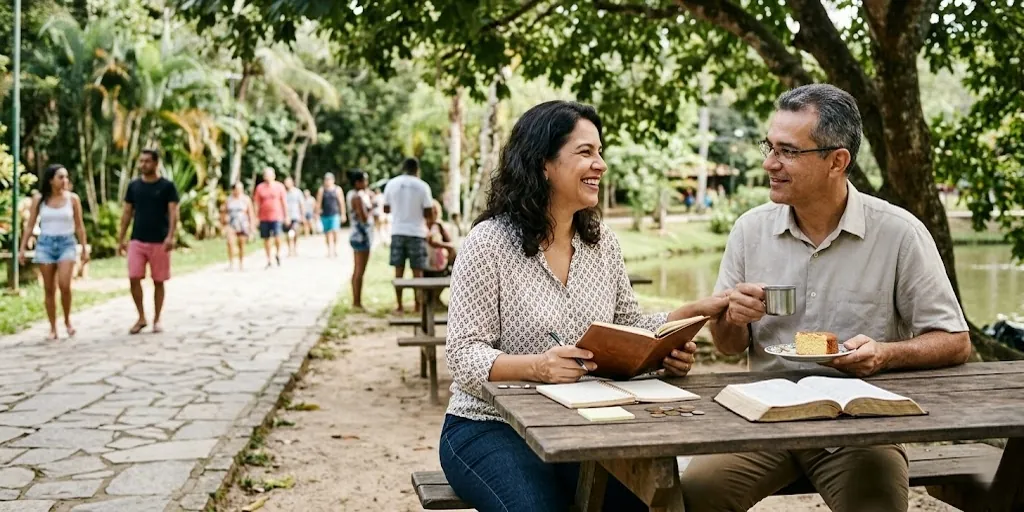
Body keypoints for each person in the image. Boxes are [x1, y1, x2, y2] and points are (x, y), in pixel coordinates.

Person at [682, 84, 972, 511]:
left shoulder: (899, 233)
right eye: (769, 147)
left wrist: (885, 354)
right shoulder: (750, 229)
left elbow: (955, 340)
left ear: (837, 161)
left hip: (858, 422)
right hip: (765, 414)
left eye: (787, 151)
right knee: (693, 496)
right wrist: (733, 319)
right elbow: (728, 348)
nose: (769, 163)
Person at [439, 100, 731, 512]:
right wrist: (537, 367)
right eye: (585, 152)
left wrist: (669, 342)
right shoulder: (488, 243)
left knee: (639, 505)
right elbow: (463, 355)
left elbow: (628, 325)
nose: (601, 164)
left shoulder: (603, 243)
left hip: (581, 426)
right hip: (487, 425)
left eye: (600, 152)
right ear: (543, 163)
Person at [18, 164, 89, 340]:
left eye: (66, 177)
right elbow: (30, 225)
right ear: (51, 180)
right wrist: (22, 248)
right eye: (60, 177)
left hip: (66, 243)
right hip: (45, 245)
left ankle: (67, 320)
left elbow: (80, 227)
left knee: (65, 285)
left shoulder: (73, 199)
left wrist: (84, 248)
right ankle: (52, 327)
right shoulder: (39, 199)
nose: (65, 181)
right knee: (49, 288)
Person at [116, 149, 179, 335]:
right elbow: (127, 212)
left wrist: (171, 235)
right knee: (134, 277)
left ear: (156, 163)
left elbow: (174, 212)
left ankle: (157, 318)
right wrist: (121, 238)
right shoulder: (134, 186)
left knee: (158, 281)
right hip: (137, 239)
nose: (143, 165)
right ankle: (141, 316)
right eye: (141, 161)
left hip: (160, 240)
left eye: (147, 161)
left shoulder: (167, 186)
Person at [383, 157, 434, 314]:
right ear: (417, 169)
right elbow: (428, 212)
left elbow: (386, 209)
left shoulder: (392, 184)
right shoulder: (422, 186)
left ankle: (399, 305)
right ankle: (417, 305)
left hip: (398, 230)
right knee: (417, 272)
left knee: (399, 270)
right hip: (416, 232)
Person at [346, 170, 374, 310]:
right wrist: (372, 207)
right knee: (359, 270)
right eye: (364, 181)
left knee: (358, 270)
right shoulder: (357, 197)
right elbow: (363, 218)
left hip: (358, 235)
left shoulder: (354, 195)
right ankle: (356, 302)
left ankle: (357, 300)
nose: (366, 184)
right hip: (361, 236)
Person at [253, 167, 289, 268]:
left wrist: (287, 216)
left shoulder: (280, 187)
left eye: (269, 174)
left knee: (278, 236)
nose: (268, 177)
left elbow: (284, 202)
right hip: (264, 217)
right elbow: (256, 203)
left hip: (277, 216)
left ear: (274, 176)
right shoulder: (260, 188)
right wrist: (256, 217)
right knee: (266, 239)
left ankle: (277, 253)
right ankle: (269, 259)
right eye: (266, 175)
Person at [221, 181, 256, 271]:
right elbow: (224, 212)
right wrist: (223, 224)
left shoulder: (246, 199)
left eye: (241, 189)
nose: (239, 191)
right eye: (237, 189)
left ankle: (241, 263)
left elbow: (251, 213)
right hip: (231, 224)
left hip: (243, 224)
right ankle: (231, 263)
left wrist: (252, 227)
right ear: (233, 190)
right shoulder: (229, 200)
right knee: (230, 243)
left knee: (241, 244)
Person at [315, 172, 347, 257]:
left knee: (335, 231)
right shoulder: (322, 190)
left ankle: (335, 248)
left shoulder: (337, 189)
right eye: (326, 180)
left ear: (333, 180)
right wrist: (317, 214)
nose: (328, 181)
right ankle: (329, 250)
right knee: (327, 233)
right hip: (325, 214)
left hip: (335, 214)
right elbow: (318, 203)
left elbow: (341, 202)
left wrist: (343, 213)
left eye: (329, 179)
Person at [423, 199, 457, 278]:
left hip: (438, 264)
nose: (433, 214)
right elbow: (433, 242)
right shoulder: (422, 225)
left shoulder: (438, 225)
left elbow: (448, 242)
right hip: (426, 264)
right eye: (431, 211)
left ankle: (450, 269)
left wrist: (448, 246)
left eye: (435, 211)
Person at [283, 177, 305, 256]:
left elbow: (301, 204)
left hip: (296, 215)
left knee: (295, 231)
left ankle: (295, 248)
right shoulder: (283, 192)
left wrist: (303, 215)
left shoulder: (297, 192)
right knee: (288, 234)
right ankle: (289, 249)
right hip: (286, 216)